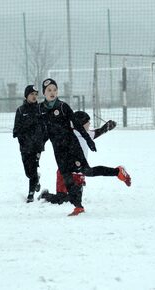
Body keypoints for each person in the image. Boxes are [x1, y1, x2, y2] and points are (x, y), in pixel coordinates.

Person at [39, 78, 131, 216]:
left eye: (54, 90)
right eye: (49, 90)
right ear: (44, 93)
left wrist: (89, 140)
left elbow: (77, 125)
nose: (52, 92)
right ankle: (78, 206)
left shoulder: (63, 107)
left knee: (86, 171)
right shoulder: (40, 109)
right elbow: (43, 130)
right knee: (66, 176)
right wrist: (38, 145)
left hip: (71, 145)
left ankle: (117, 172)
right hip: (58, 149)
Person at [38, 111, 131, 206]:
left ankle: (117, 171)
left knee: (74, 199)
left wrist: (107, 127)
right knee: (62, 199)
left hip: (79, 171)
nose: (90, 124)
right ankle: (45, 195)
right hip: (65, 172)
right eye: (88, 122)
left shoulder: (87, 134)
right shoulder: (68, 135)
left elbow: (98, 132)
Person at [13, 85, 47, 202]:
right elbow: (16, 130)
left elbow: (45, 127)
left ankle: (31, 194)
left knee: (33, 167)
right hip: (25, 147)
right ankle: (36, 179)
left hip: (37, 146)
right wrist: (22, 139)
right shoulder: (21, 110)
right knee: (28, 172)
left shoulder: (41, 109)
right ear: (26, 95)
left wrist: (42, 140)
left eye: (36, 94)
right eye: (32, 94)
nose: (34, 96)